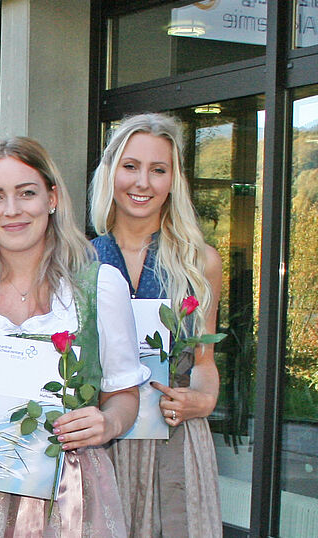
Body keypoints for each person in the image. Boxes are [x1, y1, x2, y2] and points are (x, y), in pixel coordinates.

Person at [0, 137, 141, 537]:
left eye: (26, 193)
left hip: (72, 490)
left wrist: (108, 422)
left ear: (52, 198)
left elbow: (124, 395)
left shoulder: (100, 286)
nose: (12, 210)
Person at [89, 113, 224, 537]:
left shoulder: (200, 262)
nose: (142, 182)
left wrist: (203, 400)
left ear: (174, 180)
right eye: (130, 166)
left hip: (174, 441)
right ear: (111, 173)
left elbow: (204, 362)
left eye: (158, 170)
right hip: (99, 441)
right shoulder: (77, 260)